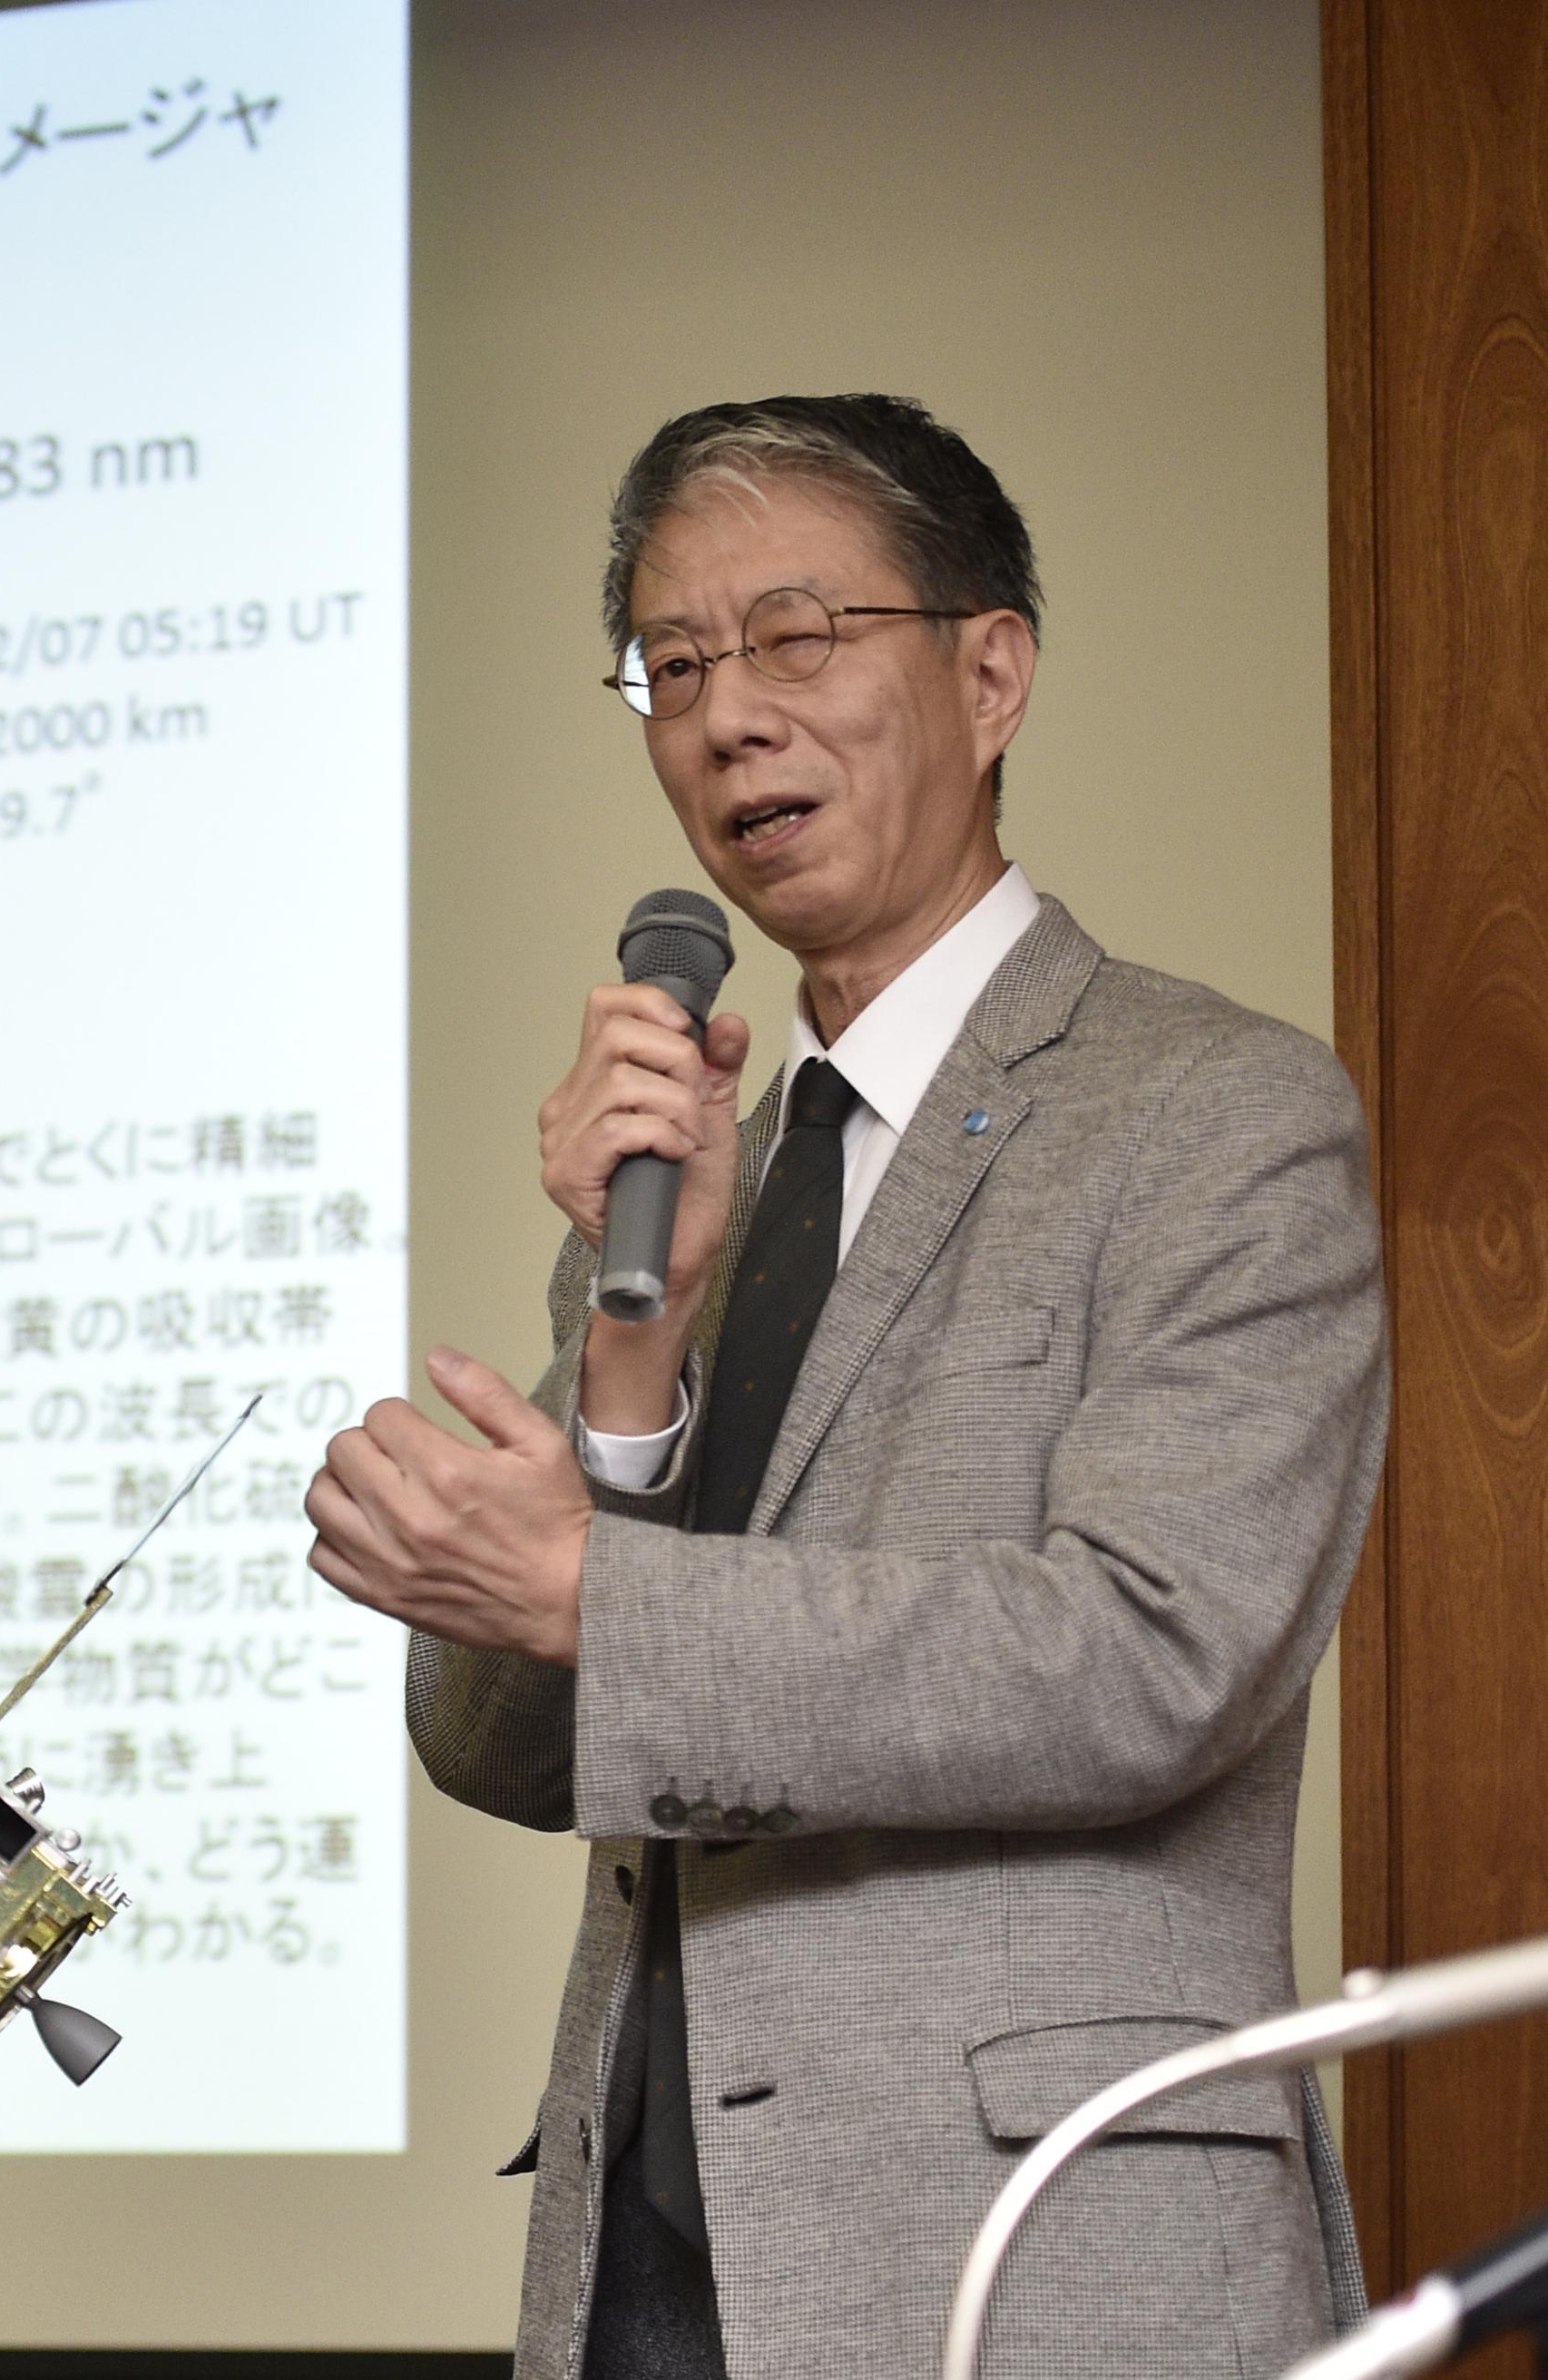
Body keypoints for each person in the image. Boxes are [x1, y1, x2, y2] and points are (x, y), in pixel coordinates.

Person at [303, 395, 1384, 2379]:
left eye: (796, 639)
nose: (726, 717)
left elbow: (1155, 1647)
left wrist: (585, 1587)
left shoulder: (1211, 1110)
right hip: (651, 2262)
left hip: (1038, 2249)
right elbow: (509, 1747)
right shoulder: (691, 1166)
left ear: (990, 672)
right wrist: (632, 1354)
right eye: (676, 664)